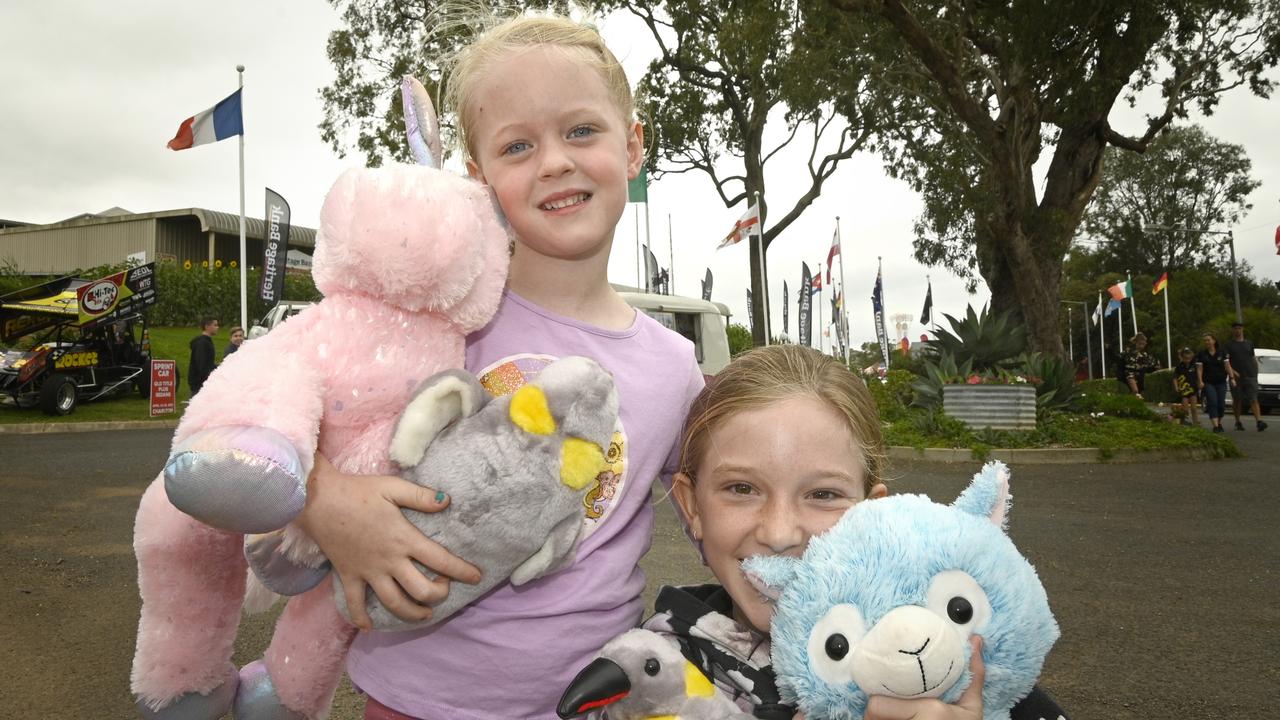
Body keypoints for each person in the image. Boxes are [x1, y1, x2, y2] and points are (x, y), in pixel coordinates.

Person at [295, 15, 704, 719]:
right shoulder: (435, 316)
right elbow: (271, 417)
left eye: (581, 130)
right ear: (480, 179)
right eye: (518, 145)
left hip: (589, 705)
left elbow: (724, 510)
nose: (554, 162)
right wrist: (321, 499)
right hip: (410, 698)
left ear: (633, 144)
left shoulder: (675, 369)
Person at [647, 344, 1066, 720]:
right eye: (741, 488)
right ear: (692, 506)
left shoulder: (957, 664)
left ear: (874, 509)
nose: (779, 534)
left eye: (823, 494)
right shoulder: (648, 680)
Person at [1225, 321, 1268, 432]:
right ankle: (1238, 421)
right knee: (1237, 399)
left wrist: (1256, 373)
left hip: (1250, 376)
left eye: (1239, 328)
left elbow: (1253, 359)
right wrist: (1233, 373)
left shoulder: (1249, 343)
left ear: (1242, 329)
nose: (1237, 330)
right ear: (1232, 330)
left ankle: (1259, 421)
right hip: (1236, 377)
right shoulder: (1229, 345)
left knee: (1253, 399)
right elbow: (1226, 362)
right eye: (1235, 328)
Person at [1196, 332, 1233, 434]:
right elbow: (1199, 369)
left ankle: (1219, 422)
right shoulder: (1202, 354)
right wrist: (1200, 381)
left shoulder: (1222, 352)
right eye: (1205, 341)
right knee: (1212, 401)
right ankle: (1215, 426)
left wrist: (1232, 377)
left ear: (1214, 340)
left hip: (1221, 382)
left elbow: (1227, 366)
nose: (1206, 342)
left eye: (1208, 340)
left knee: (1221, 404)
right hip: (1208, 383)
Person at [187, 315, 218, 396]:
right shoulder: (202, 343)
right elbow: (201, 364)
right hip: (199, 383)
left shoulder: (207, 341)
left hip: (204, 382)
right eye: (215, 325)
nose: (217, 327)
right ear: (207, 326)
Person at [1120, 332, 1158, 398]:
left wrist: (1155, 367)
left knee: (1137, 391)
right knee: (1135, 390)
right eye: (1139, 344)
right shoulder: (1128, 351)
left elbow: (1151, 365)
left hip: (1140, 375)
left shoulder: (1145, 355)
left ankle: (1130, 401)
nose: (1141, 346)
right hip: (1129, 374)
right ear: (1136, 343)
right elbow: (1119, 359)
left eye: (1143, 344)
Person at [1172, 347, 1200, 426]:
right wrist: (1176, 387)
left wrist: (1199, 383)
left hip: (1193, 388)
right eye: (1185, 358)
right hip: (1184, 389)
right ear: (1182, 357)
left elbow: (1198, 375)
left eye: (1189, 358)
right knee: (1185, 408)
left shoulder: (1194, 365)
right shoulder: (1179, 366)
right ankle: (1184, 421)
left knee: (1194, 408)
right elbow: (1174, 377)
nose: (1187, 360)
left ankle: (1196, 422)